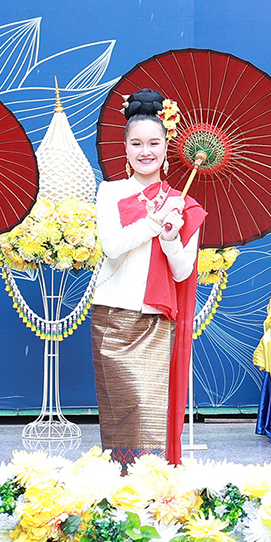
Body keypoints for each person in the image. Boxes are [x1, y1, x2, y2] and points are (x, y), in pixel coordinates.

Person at [90, 89, 204, 467]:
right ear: (125, 149)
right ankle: (119, 485)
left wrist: (170, 238)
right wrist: (154, 221)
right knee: (121, 409)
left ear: (166, 147)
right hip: (113, 316)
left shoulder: (184, 204)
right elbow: (112, 246)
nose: (145, 151)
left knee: (149, 409)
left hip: (156, 320)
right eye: (136, 144)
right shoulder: (110, 192)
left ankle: (151, 485)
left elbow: (183, 271)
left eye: (154, 143)